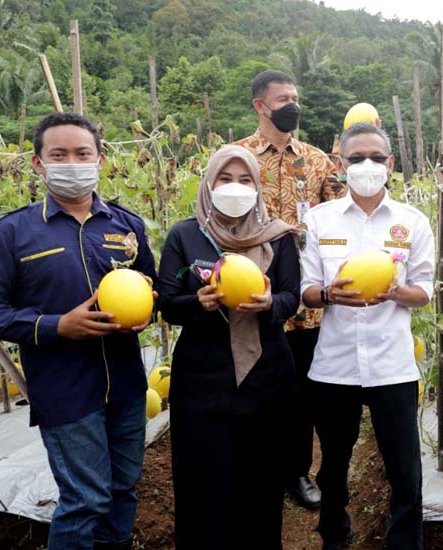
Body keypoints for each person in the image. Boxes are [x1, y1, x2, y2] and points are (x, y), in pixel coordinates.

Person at [0, 112, 157, 550]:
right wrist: (55, 325)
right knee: (85, 499)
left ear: (100, 160)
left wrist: (146, 314)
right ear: (39, 163)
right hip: (64, 388)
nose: (72, 162)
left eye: (82, 153)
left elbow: (148, 290)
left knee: (123, 490)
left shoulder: (127, 225)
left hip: (125, 382)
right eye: (58, 154)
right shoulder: (11, 233)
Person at [157, 146, 301, 549]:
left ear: (258, 186)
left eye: (245, 180)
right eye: (225, 179)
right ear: (209, 183)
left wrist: (272, 304)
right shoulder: (185, 235)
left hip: (267, 373)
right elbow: (167, 303)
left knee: (262, 475)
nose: (235, 188)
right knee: (202, 474)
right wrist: (198, 304)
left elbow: (293, 296)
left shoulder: (279, 235)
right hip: (203, 375)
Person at [300, 123, 435, 550]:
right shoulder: (319, 221)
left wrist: (396, 291)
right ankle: (334, 539)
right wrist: (328, 294)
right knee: (333, 467)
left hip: (392, 365)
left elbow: (425, 291)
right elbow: (307, 291)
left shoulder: (412, 222)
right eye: (356, 158)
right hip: (335, 366)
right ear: (340, 165)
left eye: (376, 157)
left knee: (405, 472)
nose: (367, 166)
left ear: (390, 164)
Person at [233, 69, 341, 508]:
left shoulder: (316, 160)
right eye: (283, 99)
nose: (292, 105)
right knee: (254, 386)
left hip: (306, 300)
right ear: (260, 105)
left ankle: (297, 472)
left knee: (300, 392)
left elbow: (338, 217)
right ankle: (255, 468)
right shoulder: (236, 158)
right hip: (251, 294)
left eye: (295, 97)